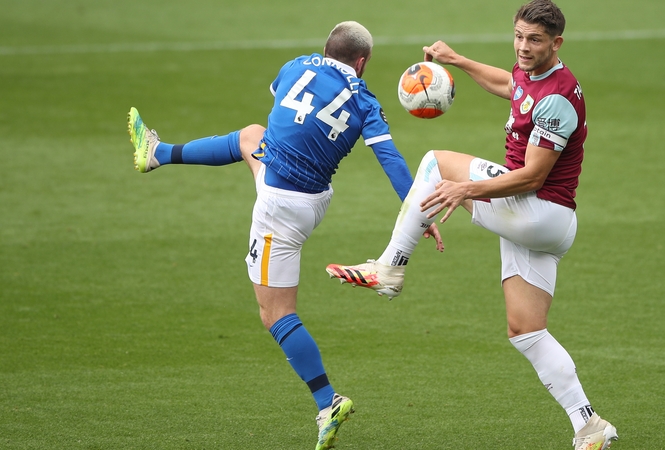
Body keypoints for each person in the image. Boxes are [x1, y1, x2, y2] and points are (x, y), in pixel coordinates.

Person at [126, 21, 442, 450]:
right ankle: (157, 154)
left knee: (274, 314)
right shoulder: (367, 101)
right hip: (310, 195)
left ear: (326, 48)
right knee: (250, 137)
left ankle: (328, 402)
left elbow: (289, 111)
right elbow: (390, 158)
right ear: (362, 61)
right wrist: (419, 212)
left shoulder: (294, 66)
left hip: (280, 208)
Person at [324, 2, 618, 449]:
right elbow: (509, 83)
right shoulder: (533, 73)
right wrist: (458, 61)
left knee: (435, 163)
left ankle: (390, 266)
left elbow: (535, 175)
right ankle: (589, 425)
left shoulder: (558, 97)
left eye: (534, 40)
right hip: (539, 220)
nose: (523, 46)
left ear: (556, 44)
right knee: (527, 331)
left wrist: (466, 191)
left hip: (536, 209)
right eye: (519, 36)